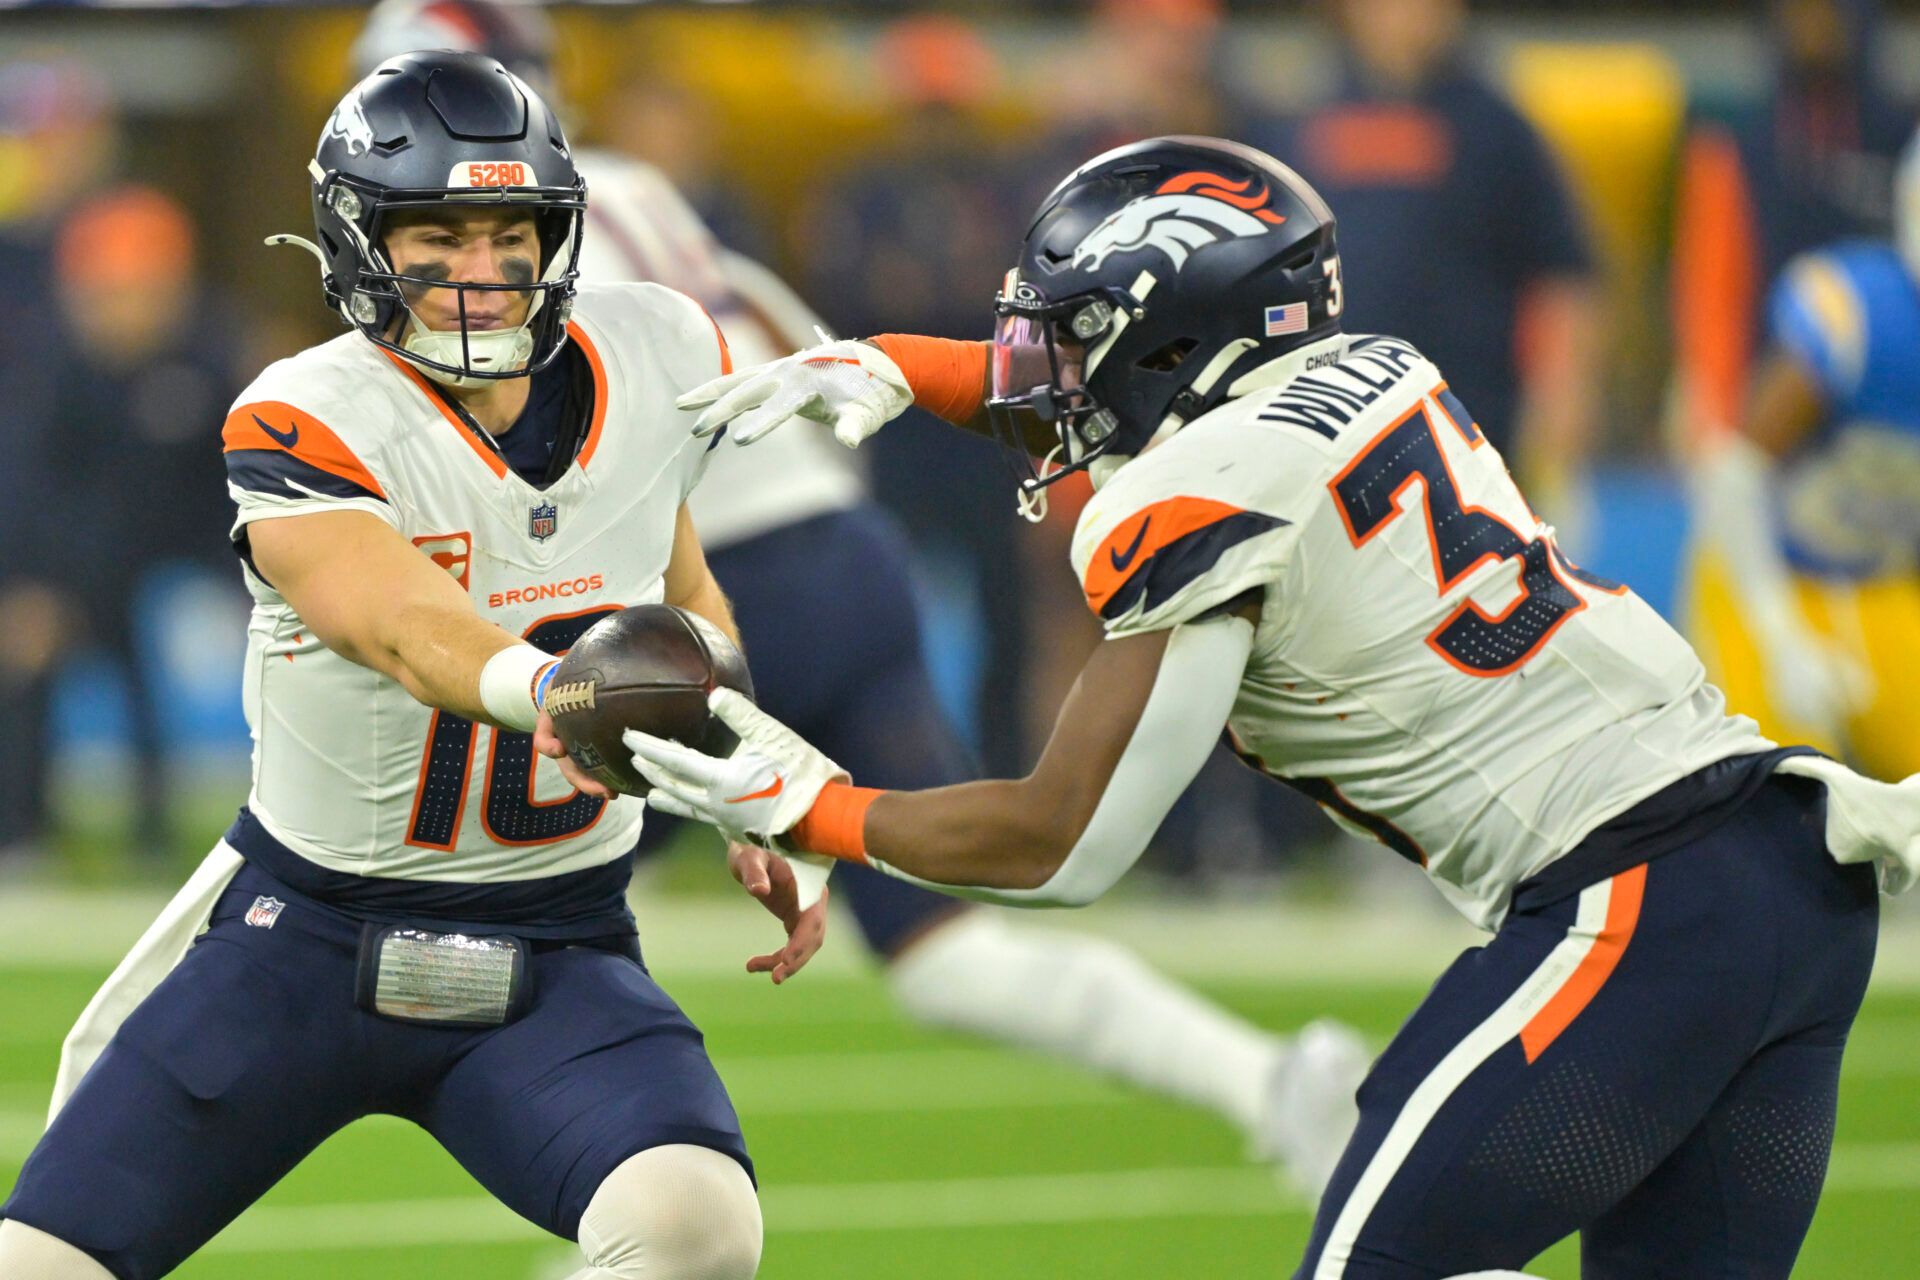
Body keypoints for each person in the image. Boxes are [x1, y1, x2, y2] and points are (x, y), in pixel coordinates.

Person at [628, 136, 1914, 1278]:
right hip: (1790, 869)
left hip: (1635, 897)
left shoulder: (1191, 501)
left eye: (1070, 334)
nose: (1039, 368)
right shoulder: (1375, 367)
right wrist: (915, 367)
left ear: (1175, 338)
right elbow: (1157, 403)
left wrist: (816, 806)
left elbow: (1061, 842)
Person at [349, 0, 1371, 1199]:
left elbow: (549, 458)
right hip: (837, 545)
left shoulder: (497, 238)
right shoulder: (627, 191)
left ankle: (637, 1213)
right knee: (940, 943)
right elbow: (776, 330)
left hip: (700, 579)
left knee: (461, 918)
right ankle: (1269, 1079)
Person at [0, 53, 771, 1279]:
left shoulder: (659, 352)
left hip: (557, 950)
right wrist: (567, 693)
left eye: (506, 232)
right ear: (362, 242)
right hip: (298, 943)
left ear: (554, 235)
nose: (479, 271)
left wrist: (745, 779)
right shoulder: (305, 409)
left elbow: (677, 596)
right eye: (437, 234)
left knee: (697, 1223)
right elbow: (409, 626)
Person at [1245, 0, 1600, 546]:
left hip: (1472, 434)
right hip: (1323, 438)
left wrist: (1562, 400)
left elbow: (1564, 274)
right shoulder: (1294, 124)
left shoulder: (1497, 130)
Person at [1688, 125, 1920, 781]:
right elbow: (1731, 473)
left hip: (1881, 581)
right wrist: (1780, 635)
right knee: (1780, 790)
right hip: (1768, 571)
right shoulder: (1859, 311)